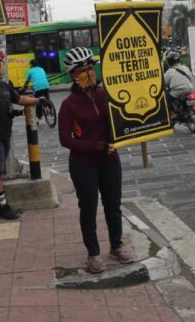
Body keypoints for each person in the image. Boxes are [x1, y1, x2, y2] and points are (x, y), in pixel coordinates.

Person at [57, 46, 135, 273]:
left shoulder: (107, 94)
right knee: (88, 207)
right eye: (82, 70)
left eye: (91, 68)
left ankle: (116, 246)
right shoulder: (68, 105)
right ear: (73, 74)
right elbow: (65, 139)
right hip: (83, 164)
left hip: (110, 159)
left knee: (113, 204)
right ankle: (92, 254)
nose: (88, 73)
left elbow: (123, 118)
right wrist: (93, 146)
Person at [0, 47, 51, 220]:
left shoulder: (5, 85)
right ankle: (3, 206)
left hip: (4, 133)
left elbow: (20, 99)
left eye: (0, 61)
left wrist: (40, 100)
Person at [163, 51, 195, 119]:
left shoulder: (169, 72)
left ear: (169, 62)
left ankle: (173, 114)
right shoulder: (185, 68)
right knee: (193, 96)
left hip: (177, 92)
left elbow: (164, 83)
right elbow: (191, 78)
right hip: (190, 88)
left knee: (165, 99)